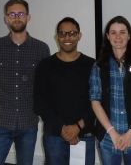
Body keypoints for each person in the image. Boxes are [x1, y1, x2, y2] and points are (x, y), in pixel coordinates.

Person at [0, 0, 50, 165]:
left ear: (28, 17)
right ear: (6, 18)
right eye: (12, 14)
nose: (17, 17)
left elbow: (44, 84)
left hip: (28, 122)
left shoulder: (41, 48)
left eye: (21, 13)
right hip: (0, 122)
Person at [89, 15, 131, 165]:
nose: (118, 37)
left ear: (129, 36)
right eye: (113, 32)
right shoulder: (98, 66)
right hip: (108, 137)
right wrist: (113, 132)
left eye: (122, 32)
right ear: (107, 37)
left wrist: (130, 133)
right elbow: (95, 101)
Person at [34, 17, 96, 165]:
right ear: (57, 37)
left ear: (79, 36)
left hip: (84, 134)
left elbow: (98, 101)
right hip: (54, 135)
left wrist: (78, 127)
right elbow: (39, 102)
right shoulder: (45, 65)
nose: (67, 37)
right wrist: (61, 128)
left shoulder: (92, 65)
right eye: (62, 33)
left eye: (72, 33)